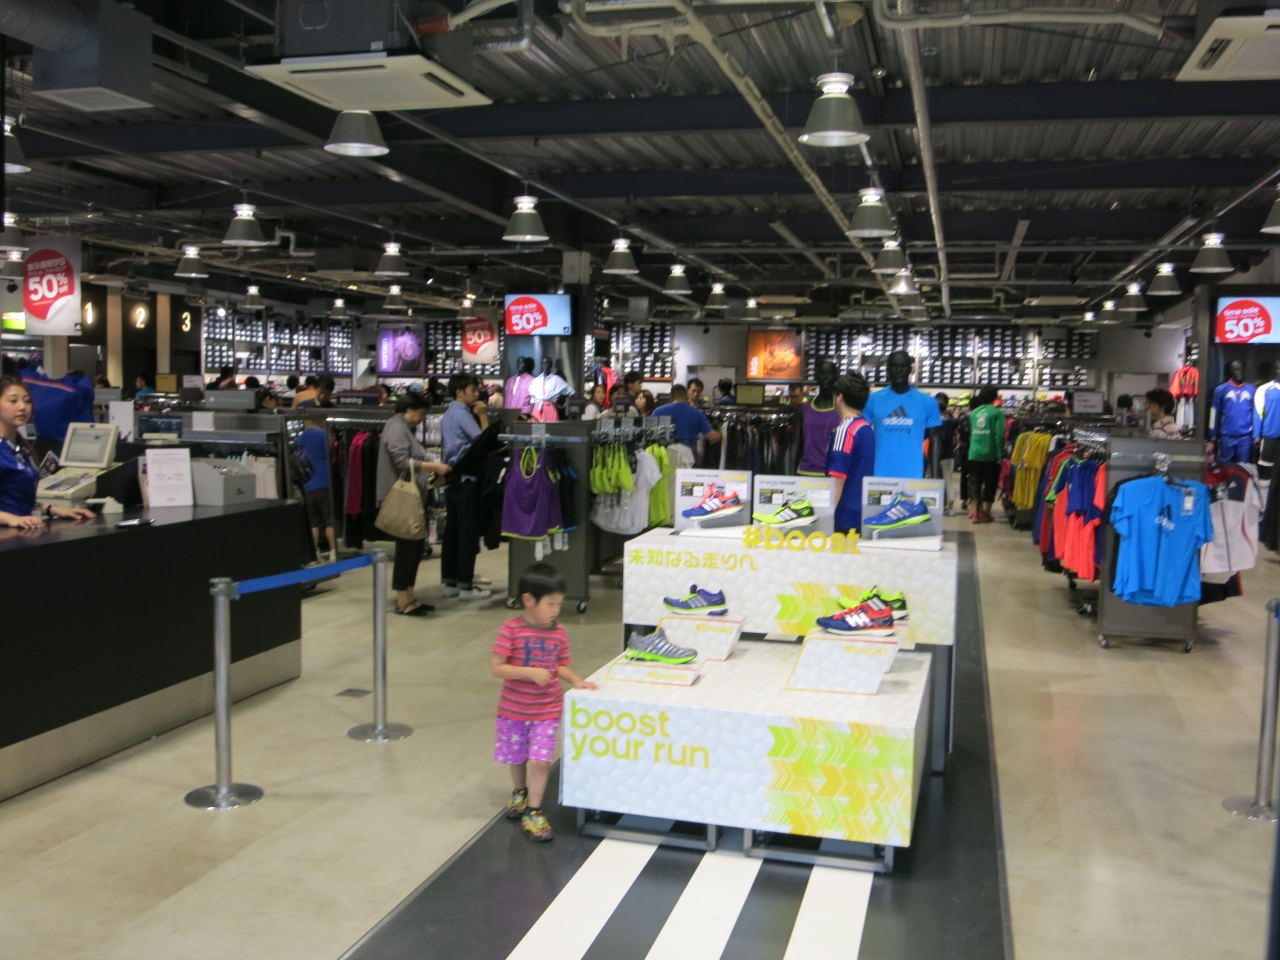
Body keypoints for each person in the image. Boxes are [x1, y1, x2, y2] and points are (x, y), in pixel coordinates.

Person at [490, 562, 597, 842]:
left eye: (559, 603)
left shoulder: (558, 633)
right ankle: (520, 793)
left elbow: (559, 665)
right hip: (513, 710)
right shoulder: (511, 630)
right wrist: (529, 672)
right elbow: (497, 667)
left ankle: (534, 812)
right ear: (528, 600)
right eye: (550, 603)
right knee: (517, 758)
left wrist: (575, 679)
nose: (555, 610)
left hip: (546, 711)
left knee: (539, 762)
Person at [376, 391, 451, 615]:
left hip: (412, 496)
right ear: (408, 409)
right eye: (421, 413)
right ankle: (403, 601)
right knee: (407, 550)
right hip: (401, 499)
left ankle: (410, 596)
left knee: (416, 549)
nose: (423, 418)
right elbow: (402, 462)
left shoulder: (404, 429)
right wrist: (435, 467)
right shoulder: (396, 428)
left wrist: (432, 476)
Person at [0, 376, 95, 529]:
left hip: (24, 530)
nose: (22, 407)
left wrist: (52, 509)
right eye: (13, 401)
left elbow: (19, 498)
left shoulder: (19, 446)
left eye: (27, 401)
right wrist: (12, 519)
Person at [441, 373, 491, 600]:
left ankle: (450, 582)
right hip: (467, 481)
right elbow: (483, 442)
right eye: (472, 389)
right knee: (467, 534)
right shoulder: (463, 415)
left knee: (452, 533)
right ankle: (466, 586)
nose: (476, 393)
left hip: (452, 479)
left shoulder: (448, 415)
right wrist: (483, 416)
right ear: (459, 392)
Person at [828, 374, 875, 535]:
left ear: (839, 398)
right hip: (861, 512)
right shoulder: (866, 428)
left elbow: (838, 478)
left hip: (844, 516)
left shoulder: (846, 430)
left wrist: (826, 517)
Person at [296, 423, 336, 561]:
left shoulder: (300, 438)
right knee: (329, 520)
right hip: (324, 483)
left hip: (307, 485)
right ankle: (333, 552)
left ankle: (315, 553)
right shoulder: (323, 435)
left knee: (313, 523)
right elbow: (332, 454)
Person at [967, 386, 1006, 523]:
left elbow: (972, 433)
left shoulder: (974, 413)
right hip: (991, 454)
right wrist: (1000, 454)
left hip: (974, 453)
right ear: (994, 397)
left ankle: (974, 512)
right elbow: (999, 435)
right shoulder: (997, 413)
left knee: (974, 482)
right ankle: (986, 513)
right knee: (990, 483)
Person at [652, 383, 721, 452]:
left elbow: (650, 436)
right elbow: (713, 437)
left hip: (664, 455)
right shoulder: (697, 413)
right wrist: (721, 434)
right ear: (686, 396)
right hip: (689, 456)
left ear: (671, 398)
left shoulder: (658, 411)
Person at [935, 392, 960, 514]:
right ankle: (950, 508)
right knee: (949, 481)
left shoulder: (932, 422)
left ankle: (936, 505)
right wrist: (956, 415)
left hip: (935, 454)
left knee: (935, 481)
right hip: (948, 454)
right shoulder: (951, 421)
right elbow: (958, 421)